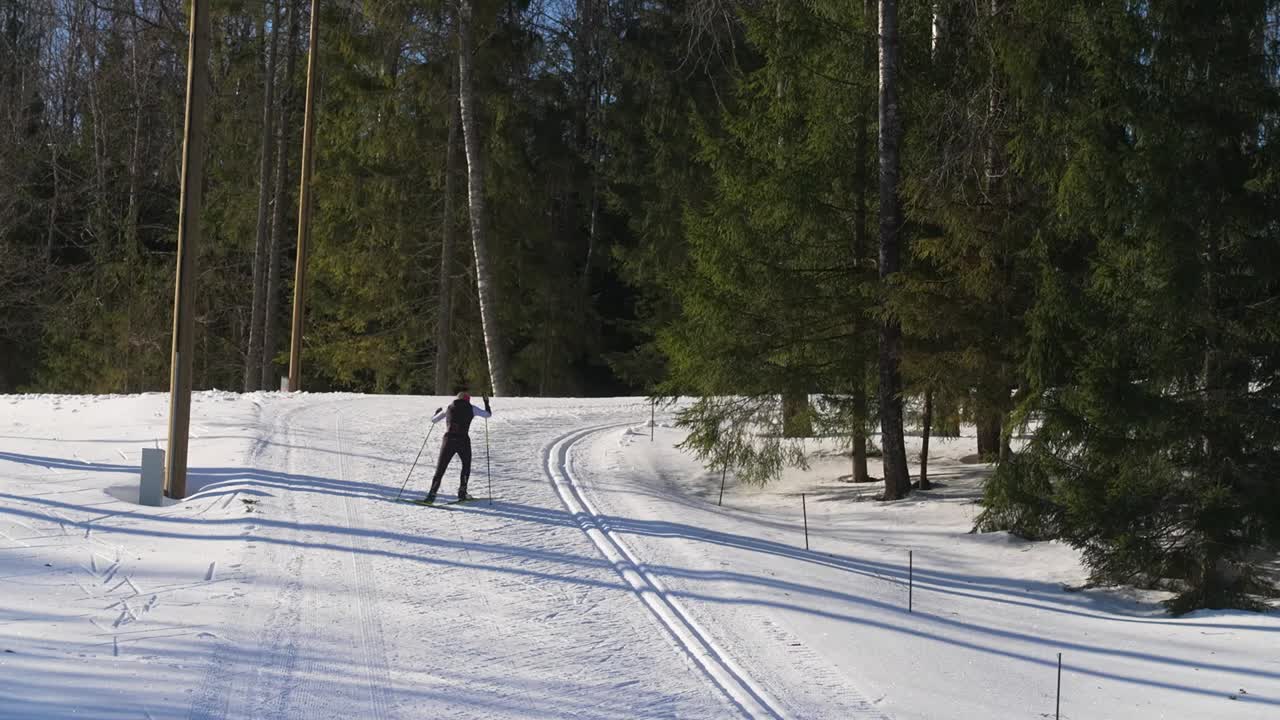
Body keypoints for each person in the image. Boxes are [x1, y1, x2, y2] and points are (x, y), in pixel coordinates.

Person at [422, 392, 491, 504]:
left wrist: (436, 413)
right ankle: (462, 493)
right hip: (463, 440)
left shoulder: (448, 407)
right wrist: (486, 403)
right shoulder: (471, 408)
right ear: (468, 400)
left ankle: (431, 495)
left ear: (457, 399)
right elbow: (488, 415)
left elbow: (434, 420)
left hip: (448, 440)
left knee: (441, 468)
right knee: (466, 466)